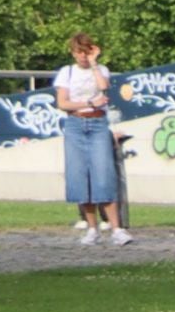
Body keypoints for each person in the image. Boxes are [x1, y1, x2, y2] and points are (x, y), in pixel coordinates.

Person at [54, 34, 131, 247]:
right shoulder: (66, 73)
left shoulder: (101, 69)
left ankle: (116, 228)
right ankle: (91, 228)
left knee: (103, 174)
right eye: (79, 52)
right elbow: (62, 103)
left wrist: (95, 63)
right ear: (73, 53)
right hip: (75, 125)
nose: (83, 57)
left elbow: (103, 86)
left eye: (86, 52)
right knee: (80, 176)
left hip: (97, 124)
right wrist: (89, 102)